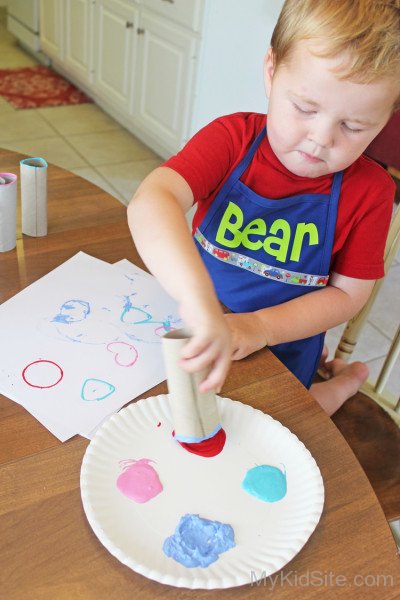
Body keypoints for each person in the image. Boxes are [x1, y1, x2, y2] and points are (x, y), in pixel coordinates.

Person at [127, 0, 400, 416]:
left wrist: (259, 327)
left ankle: (347, 382)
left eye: (353, 126)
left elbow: (347, 295)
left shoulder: (371, 191)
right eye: (305, 108)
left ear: (384, 121)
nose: (321, 138)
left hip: (281, 343)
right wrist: (199, 301)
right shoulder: (231, 139)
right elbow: (152, 200)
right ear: (271, 72)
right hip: (196, 321)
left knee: (297, 419)